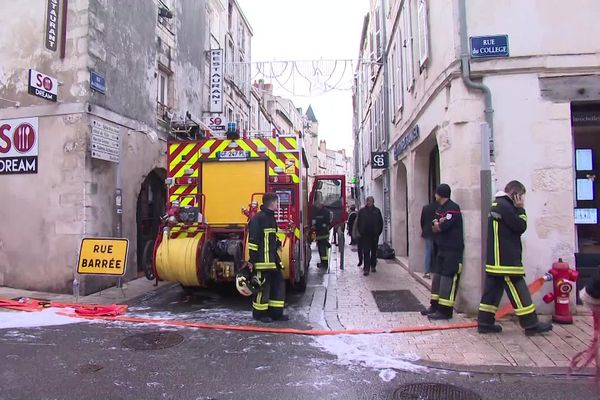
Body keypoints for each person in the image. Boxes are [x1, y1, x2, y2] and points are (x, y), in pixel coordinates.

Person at [477, 181, 553, 335]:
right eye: (521, 196)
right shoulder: (506, 207)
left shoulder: (497, 205)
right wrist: (521, 209)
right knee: (520, 291)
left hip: (496, 261)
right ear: (515, 194)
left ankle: (485, 323)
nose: (521, 199)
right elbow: (520, 226)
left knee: (491, 293)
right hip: (506, 261)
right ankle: (531, 325)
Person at [422, 184, 464, 320]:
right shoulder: (441, 209)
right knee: (438, 278)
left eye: (436, 194)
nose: (435, 196)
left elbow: (444, 226)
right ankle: (434, 305)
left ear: (440, 194)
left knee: (448, 279)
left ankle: (445, 311)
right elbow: (435, 224)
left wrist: (439, 225)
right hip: (441, 248)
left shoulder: (453, 208)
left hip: (452, 250)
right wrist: (438, 224)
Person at [247, 193, 289, 323]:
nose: (278, 205)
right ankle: (260, 314)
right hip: (262, 262)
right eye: (277, 202)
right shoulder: (258, 219)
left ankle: (276, 313)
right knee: (262, 289)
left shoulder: (271, 218)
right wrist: (252, 261)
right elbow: (253, 241)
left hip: (272, 261)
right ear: (272, 203)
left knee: (278, 285)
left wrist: (277, 243)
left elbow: (270, 237)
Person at [356, 196, 383, 276]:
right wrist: (360, 232)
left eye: (370, 201)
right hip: (365, 235)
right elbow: (358, 222)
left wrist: (378, 232)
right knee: (366, 252)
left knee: (374, 251)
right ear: (366, 202)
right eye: (368, 201)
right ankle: (366, 268)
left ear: (373, 202)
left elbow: (380, 223)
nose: (369, 202)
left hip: (374, 235)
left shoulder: (377, 211)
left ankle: (373, 265)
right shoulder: (362, 211)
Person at [420, 200, 438, 279]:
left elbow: (422, 221)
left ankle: (427, 271)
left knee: (428, 251)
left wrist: (424, 229)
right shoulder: (440, 208)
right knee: (438, 250)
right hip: (438, 232)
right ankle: (436, 269)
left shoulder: (426, 208)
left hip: (427, 231)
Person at [312, 199, 332, 269]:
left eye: (318, 205)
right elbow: (314, 220)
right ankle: (322, 262)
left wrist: (322, 225)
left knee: (323, 249)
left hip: (323, 232)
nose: (317, 206)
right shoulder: (317, 212)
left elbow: (327, 221)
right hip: (318, 233)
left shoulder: (326, 212)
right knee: (321, 249)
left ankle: (325, 263)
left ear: (321, 205)